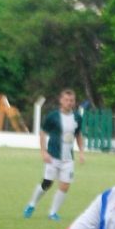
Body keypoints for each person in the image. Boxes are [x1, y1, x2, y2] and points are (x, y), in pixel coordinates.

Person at [23, 88, 85, 221]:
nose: (69, 102)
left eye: (72, 100)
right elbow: (43, 134)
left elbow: (78, 135)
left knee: (65, 185)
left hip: (68, 159)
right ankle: (31, 204)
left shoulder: (77, 118)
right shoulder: (53, 116)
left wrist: (81, 152)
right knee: (47, 183)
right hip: (53, 156)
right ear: (61, 100)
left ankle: (53, 212)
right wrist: (43, 152)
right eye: (67, 100)